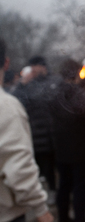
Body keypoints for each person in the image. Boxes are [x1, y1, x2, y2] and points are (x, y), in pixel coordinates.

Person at [0, 38, 54, 222]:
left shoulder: (49, 82)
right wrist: (40, 209)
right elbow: (18, 168)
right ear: (6, 62)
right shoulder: (7, 106)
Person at [49, 59, 85, 222]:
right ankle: (80, 219)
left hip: (62, 151)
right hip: (81, 150)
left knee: (63, 186)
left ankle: (63, 217)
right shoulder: (79, 93)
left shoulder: (55, 94)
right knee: (79, 188)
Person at [12, 56, 59, 203]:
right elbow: (17, 102)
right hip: (39, 137)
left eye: (34, 67)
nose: (32, 70)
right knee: (46, 167)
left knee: (60, 166)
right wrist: (22, 85)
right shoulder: (27, 86)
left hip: (55, 134)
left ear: (42, 66)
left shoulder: (53, 81)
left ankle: (62, 192)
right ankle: (52, 192)